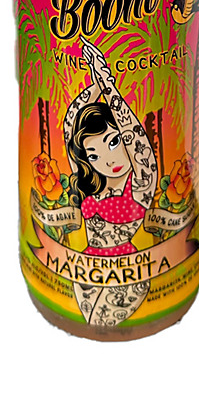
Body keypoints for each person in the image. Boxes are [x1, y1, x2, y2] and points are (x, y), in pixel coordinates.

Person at [63, 37, 158, 326]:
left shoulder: (140, 182)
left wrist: (107, 83)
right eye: (93, 154)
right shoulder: (91, 181)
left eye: (114, 142)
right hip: (84, 272)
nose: (108, 159)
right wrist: (96, 83)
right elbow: (70, 124)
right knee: (89, 322)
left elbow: (134, 132)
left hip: (129, 273)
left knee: (101, 323)